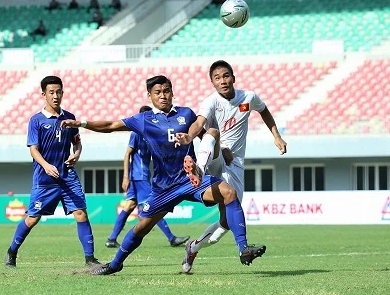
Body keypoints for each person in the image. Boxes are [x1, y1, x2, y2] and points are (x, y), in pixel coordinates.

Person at [60, 75, 266, 275]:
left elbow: (206, 138)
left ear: (172, 92)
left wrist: (221, 149)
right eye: (157, 92)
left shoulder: (186, 114)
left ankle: (243, 248)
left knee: (229, 193)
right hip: (163, 188)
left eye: (167, 91)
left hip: (191, 180)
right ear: (149, 96)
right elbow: (111, 126)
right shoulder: (143, 120)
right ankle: (115, 264)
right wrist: (82, 124)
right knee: (141, 227)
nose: (163, 95)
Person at [175, 60, 287, 273]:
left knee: (226, 223)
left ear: (233, 78)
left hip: (234, 163)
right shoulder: (211, 102)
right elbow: (199, 123)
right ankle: (198, 169)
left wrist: (277, 137)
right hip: (214, 156)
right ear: (212, 83)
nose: (223, 81)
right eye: (217, 78)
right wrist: (189, 136)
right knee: (213, 133)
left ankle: (193, 247)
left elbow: (264, 111)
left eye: (226, 76)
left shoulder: (248, 97)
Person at [4, 76, 100, 269]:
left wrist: (77, 154)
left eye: (59, 92)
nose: (56, 96)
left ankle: (90, 259)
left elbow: (77, 142)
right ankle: (12, 252)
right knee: (32, 219)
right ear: (44, 94)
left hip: (67, 176)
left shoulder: (69, 117)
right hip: (45, 178)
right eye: (51, 92)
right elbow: (33, 149)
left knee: (81, 213)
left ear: (63, 93)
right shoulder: (36, 120)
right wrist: (46, 165)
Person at [105, 105, 190, 249]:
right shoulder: (136, 133)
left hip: (141, 175)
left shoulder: (152, 133)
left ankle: (112, 238)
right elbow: (127, 154)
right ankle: (171, 238)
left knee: (130, 205)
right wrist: (125, 176)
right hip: (139, 175)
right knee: (153, 206)